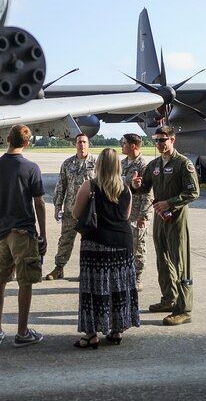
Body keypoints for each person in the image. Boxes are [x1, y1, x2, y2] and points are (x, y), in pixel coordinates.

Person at [0, 124, 48, 347]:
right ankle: (22, 332)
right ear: (27, 143)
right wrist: (43, 234)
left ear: (8, 139)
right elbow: (39, 203)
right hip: (23, 231)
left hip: (2, 232)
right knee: (25, 282)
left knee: (0, 280)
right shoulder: (31, 168)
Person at [71, 148, 140, 348]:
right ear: (118, 165)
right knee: (118, 288)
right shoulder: (126, 189)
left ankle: (91, 334)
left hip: (96, 244)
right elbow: (125, 216)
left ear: (99, 165)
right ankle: (117, 330)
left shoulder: (90, 186)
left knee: (93, 289)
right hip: (121, 245)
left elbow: (76, 213)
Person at [131, 125, 199, 326]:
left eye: (163, 140)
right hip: (160, 219)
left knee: (180, 263)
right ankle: (169, 299)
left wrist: (169, 203)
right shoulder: (154, 165)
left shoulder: (183, 164)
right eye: (156, 140)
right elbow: (144, 187)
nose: (159, 144)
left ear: (172, 140)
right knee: (163, 260)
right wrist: (135, 186)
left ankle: (184, 309)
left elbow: (193, 192)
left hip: (177, 220)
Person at [45, 133, 96, 280]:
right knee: (65, 240)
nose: (82, 145)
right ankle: (59, 268)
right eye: (79, 142)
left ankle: (86, 270)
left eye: (84, 142)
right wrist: (57, 207)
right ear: (75, 144)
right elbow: (61, 186)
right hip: (70, 210)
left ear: (88, 144)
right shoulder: (67, 164)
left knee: (88, 242)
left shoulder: (96, 163)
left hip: (89, 211)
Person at [120, 133, 152, 291]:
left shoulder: (143, 166)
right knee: (124, 247)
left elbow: (148, 194)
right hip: (123, 213)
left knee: (138, 247)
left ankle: (137, 277)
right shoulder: (122, 163)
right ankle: (125, 276)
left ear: (133, 146)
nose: (121, 145)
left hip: (137, 213)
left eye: (124, 143)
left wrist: (143, 216)